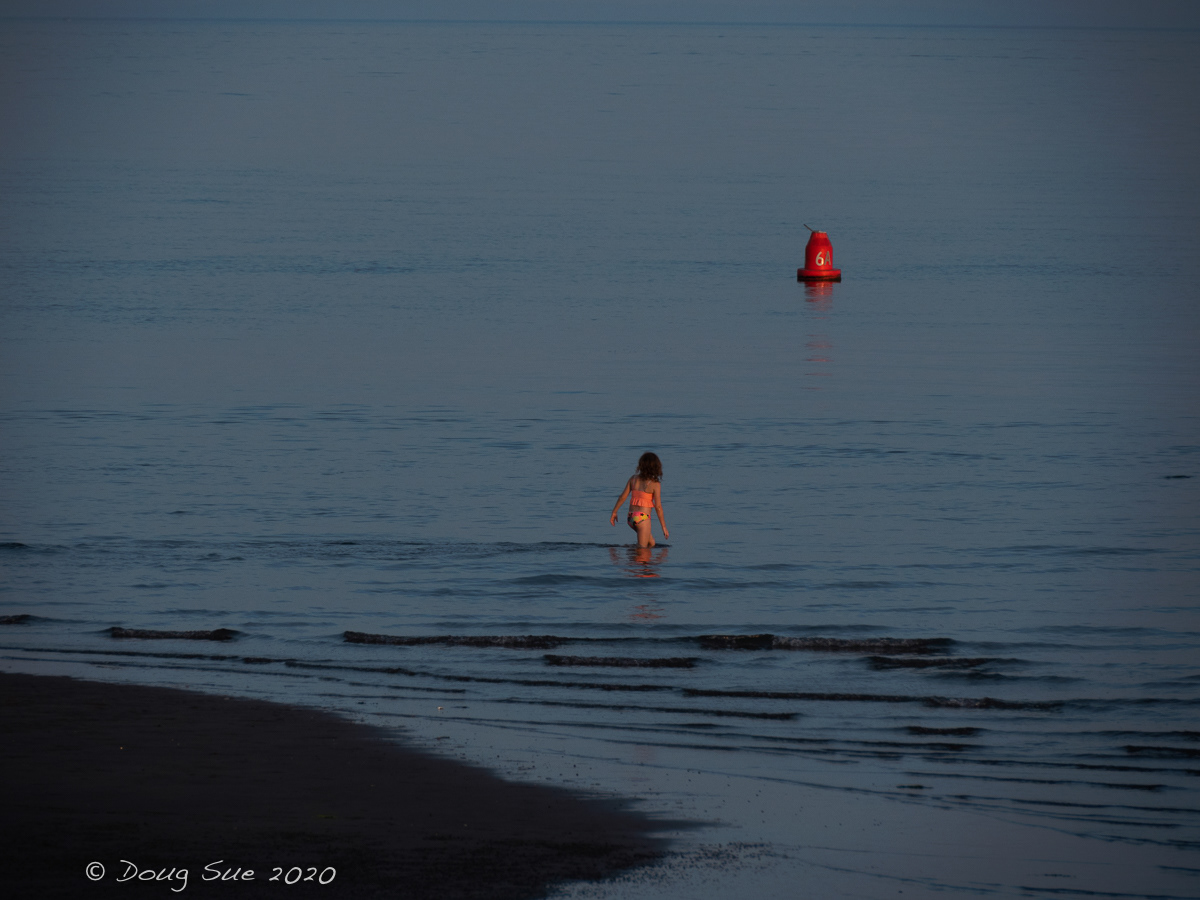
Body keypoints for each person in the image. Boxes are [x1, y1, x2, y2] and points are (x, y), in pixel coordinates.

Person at [610, 452, 669, 548]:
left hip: (631, 517)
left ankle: (630, 551)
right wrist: (664, 527)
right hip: (643, 519)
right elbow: (658, 507)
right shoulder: (655, 484)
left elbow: (622, 497)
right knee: (642, 550)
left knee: (651, 543)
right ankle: (624, 552)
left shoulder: (633, 479)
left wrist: (614, 512)